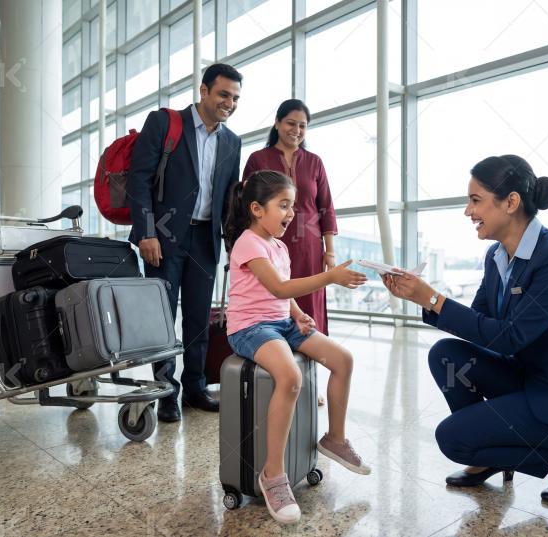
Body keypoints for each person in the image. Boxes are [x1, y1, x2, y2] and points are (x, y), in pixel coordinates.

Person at [383, 155, 548, 504]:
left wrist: (433, 298)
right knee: (446, 355)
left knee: (454, 440)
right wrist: (421, 297)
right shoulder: (497, 256)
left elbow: (510, 336)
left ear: (511, 202)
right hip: (530, 377)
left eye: (475, 200)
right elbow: (480, 321)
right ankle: (491, 453)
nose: (468, 211)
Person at [224, 170, 371, 524]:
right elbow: (276, 288)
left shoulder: (278, 245)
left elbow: (284, 292)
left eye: (292, 205)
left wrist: (301, 314)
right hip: (250, 328)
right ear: (257, 209)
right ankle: (272, 474)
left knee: (343, 359)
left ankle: (335, 439)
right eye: (283, 205)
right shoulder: (248, 243)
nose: (291, 213)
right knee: (290, 376)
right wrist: (330, 277)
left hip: (282, 323)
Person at [128, 63, 243, 422]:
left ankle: (195, 388)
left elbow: (229, 200)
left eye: (236, 98)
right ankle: (166, 392)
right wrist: (146, 231)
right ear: (204, 91)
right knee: (162, 315)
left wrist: (231, 244)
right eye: (224, 94)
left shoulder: (231, 141)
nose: (230, 102)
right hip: (164, 237)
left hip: (205, 239)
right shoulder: (164, 123)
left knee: (197, 318)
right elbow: (139, 180)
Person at [242, 99, 337, 337]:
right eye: (290, 123)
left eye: (302, 126)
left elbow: (326, 206)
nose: (296, 130)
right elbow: (246, 204)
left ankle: (311, 364)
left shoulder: (315, 162)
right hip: (269, 245)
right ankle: (276, 360)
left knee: (309, 301)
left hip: (309, 247)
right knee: (275, 300)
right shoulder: (258, 159)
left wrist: (330, 251)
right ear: (276, 123)